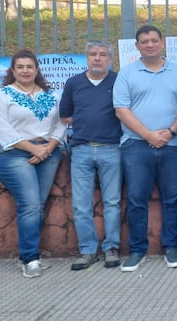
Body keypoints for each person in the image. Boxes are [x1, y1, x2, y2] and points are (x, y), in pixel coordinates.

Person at [113, 25, 177, 272]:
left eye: (154, 40)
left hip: (172, 144)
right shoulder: (126, 74)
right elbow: (121, 109)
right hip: (136, 146)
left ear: (162, 43)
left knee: (173, 198)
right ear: (136, 46)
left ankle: (171, 247)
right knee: (136, 199)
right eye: (144, 41)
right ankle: (137, 250)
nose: (149, 45)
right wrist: (148, 135)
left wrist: (169, 133)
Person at [0, 49, 66, 278]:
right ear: (12, 70)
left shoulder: (50, 95)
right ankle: (30, 258)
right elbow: (2, 129)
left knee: (37, 205)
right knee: (31, 204)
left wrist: (49, 148)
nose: (25, 71)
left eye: (29, 67)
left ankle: (30, 256)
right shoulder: (3, 96)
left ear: (37, 70)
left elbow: (61, 123)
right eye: (20, 67)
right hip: (14, 154)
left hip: (48, 152)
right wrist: (34, 149)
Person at [60, 41, 122, 271]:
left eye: (103, 54)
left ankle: (111, 248)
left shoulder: (119, 81)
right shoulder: (73, 83)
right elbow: (65, 115)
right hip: (82, 149)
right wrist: (86, 121)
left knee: (113, 201)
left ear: (110, 59)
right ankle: (87, 251)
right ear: (86, 58)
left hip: (111, 148)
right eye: (93, 54)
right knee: (81, 204)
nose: (97, 58)